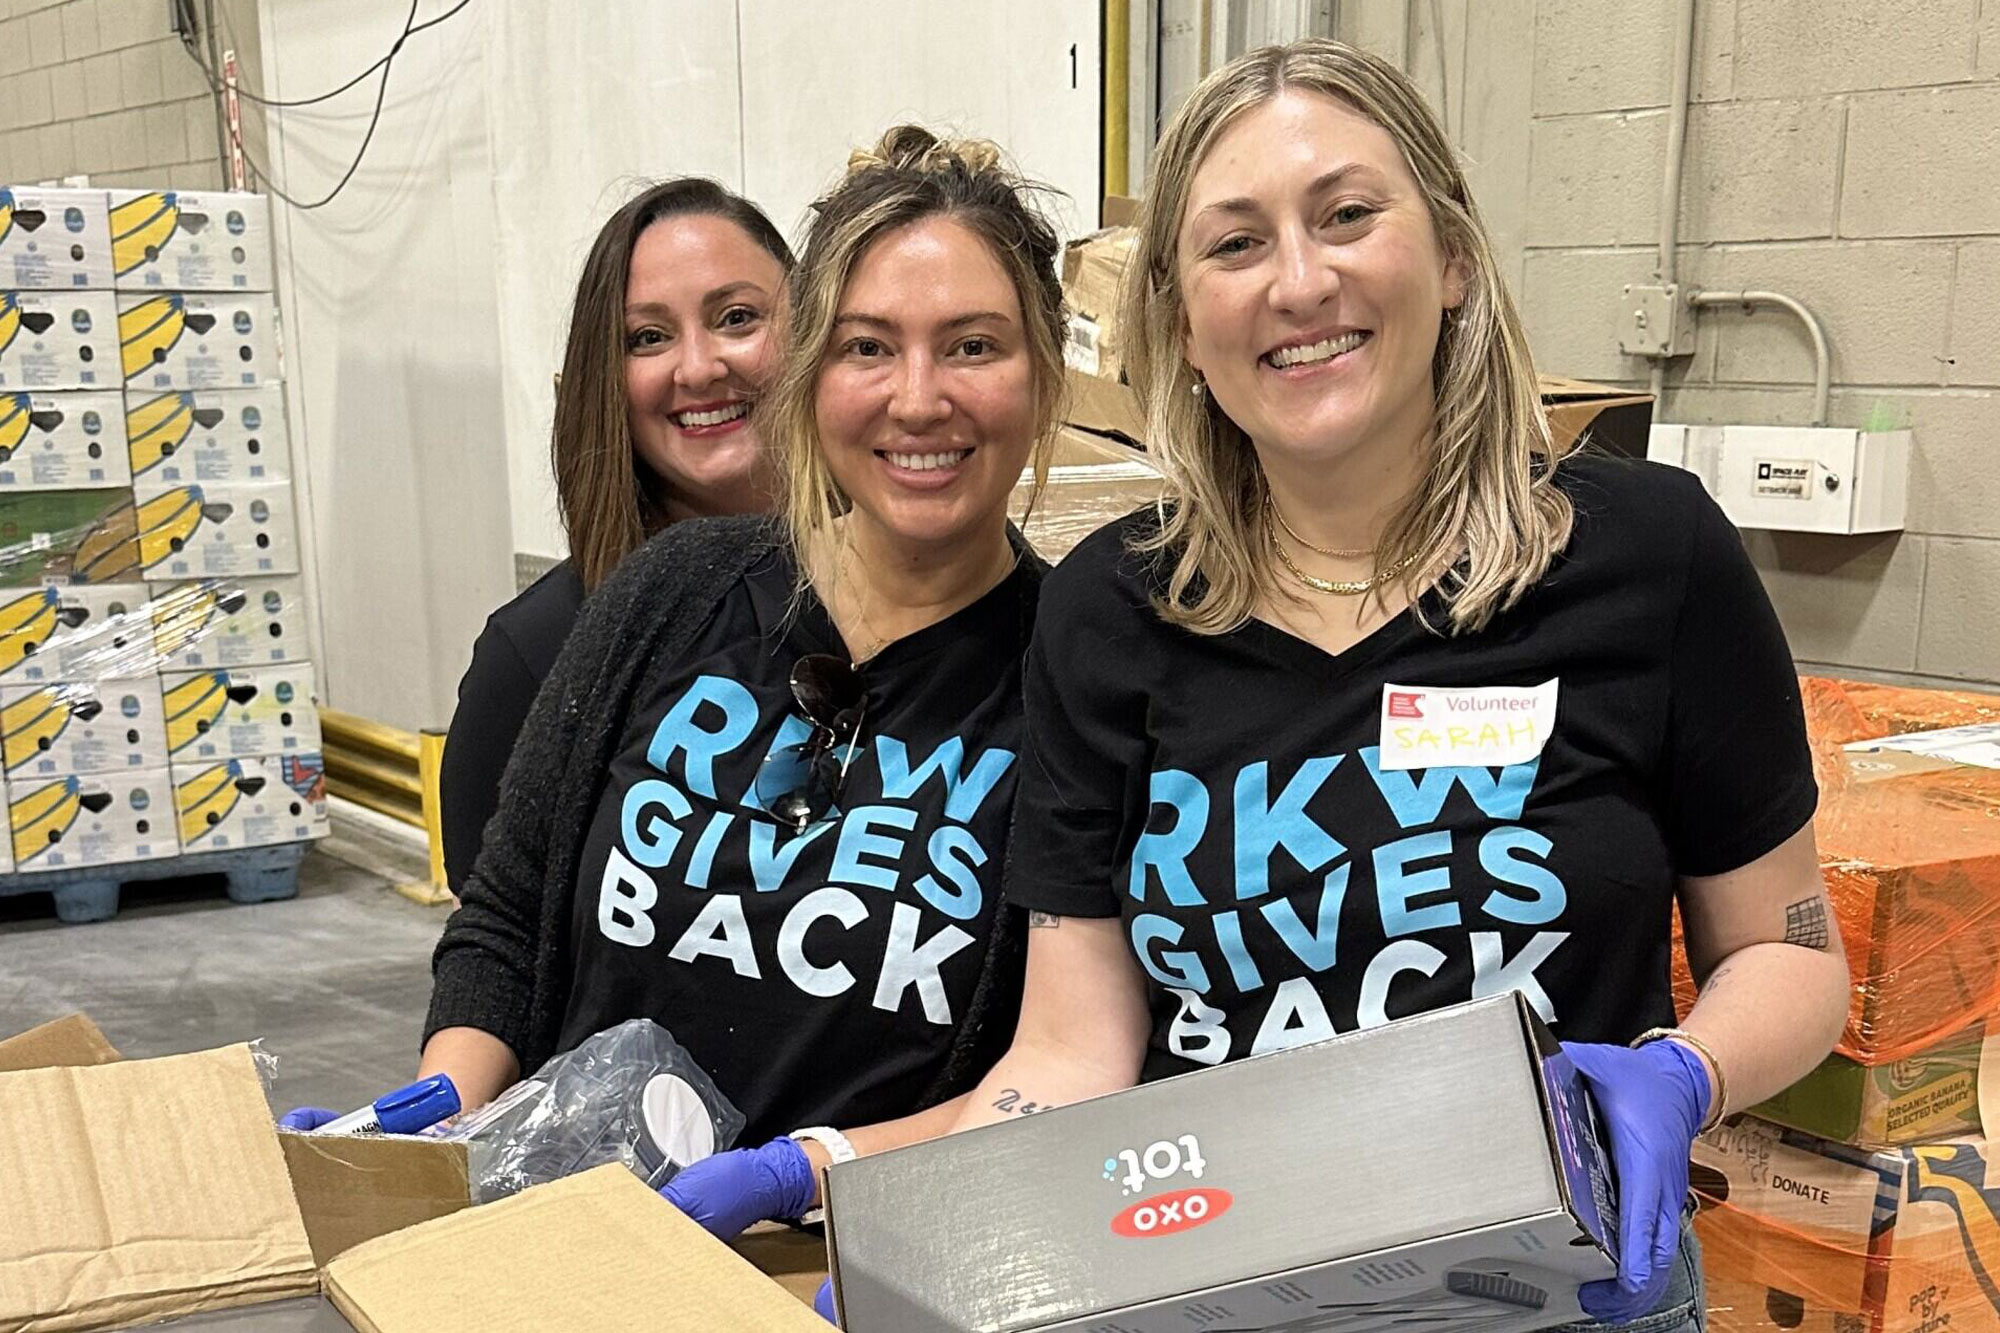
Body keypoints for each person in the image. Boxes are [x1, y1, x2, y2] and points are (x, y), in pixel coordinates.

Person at [947, 40, 1850, 1333]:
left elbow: (1791, 947)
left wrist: (1682, 1073)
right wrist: (925, 1235)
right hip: (1217, 1287)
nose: (1300, 281)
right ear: (1182, 318)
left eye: (1347, 215)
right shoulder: (1110, 609)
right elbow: (1071, 1050)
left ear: (1456, 257)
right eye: (1236, 243)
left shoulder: (1651, 559)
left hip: (1570, 1292)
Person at [362, 126, 1069, 1245]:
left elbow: (1067, 1062)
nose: (918, 398)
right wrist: (444, 1102)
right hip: (558, 1245)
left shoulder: (1072, 678)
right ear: (809, 375)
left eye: (973, 345)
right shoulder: (674, 591)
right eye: (866, 347)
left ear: (1044, 376)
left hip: (842, 1272)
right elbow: (506, 914)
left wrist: (806, 1175)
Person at [438, 178, 794, 899]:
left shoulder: (905, 612)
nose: (698, 367)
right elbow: (496, 965)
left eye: (736, 317)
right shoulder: (536, 657)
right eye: (648, 338)